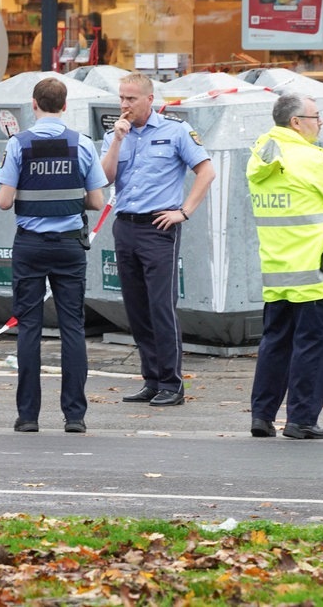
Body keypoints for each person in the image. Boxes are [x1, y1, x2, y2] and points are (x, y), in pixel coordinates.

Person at [0, 77, 108, 433]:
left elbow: (3, 202)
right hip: (69, 247)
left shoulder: (19, 144)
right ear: (64, 105)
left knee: (28, 328)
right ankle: (75, 416)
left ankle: (28, 416)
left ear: (33, 104)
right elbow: (97, 201)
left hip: (29, 245)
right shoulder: (83, 144)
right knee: (72, 328)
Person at [246, 94, 323, 440]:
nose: (320, 122)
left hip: (277, 270)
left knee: (275, 343)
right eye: (316, 116)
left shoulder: (261, 155)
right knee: (312, 345)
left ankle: (262, 416)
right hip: (314, 273)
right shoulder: (313, 160)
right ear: (296, 122)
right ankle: (302, 419)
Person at [101, 72, 215, 407]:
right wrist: (118, 140)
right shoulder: (114, 134)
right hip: (125, 225)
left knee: (161, 306)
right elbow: (104, 177)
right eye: (122, 98)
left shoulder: (175, 131)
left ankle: (172, 382)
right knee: (136, 308)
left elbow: (206, 171)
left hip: (158, 226)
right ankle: (151, 379)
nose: (125, 105)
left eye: (132, 99)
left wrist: (185, 211)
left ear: (149, 100)